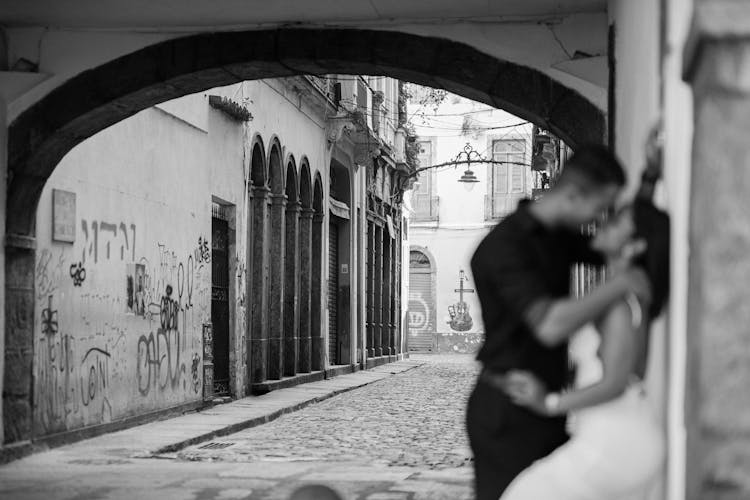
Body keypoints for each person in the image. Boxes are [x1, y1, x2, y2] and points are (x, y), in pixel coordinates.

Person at [466, 145, 651, 500]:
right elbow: (549, 327)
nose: (600, 217)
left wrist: (649, 181)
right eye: (601, 207)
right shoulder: (505, 247)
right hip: (508, 410)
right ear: (573, 194)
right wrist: (619, 285)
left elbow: (610, 243)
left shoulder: (557, 235)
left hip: (543, 404)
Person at [499, 198, 670, 500]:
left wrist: (548, 403)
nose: (604, 223)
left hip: (614, 443)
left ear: (634, 247)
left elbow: (615, 383)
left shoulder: (620, 304)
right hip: (616, 435)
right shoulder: (624, 293)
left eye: (616, 222)